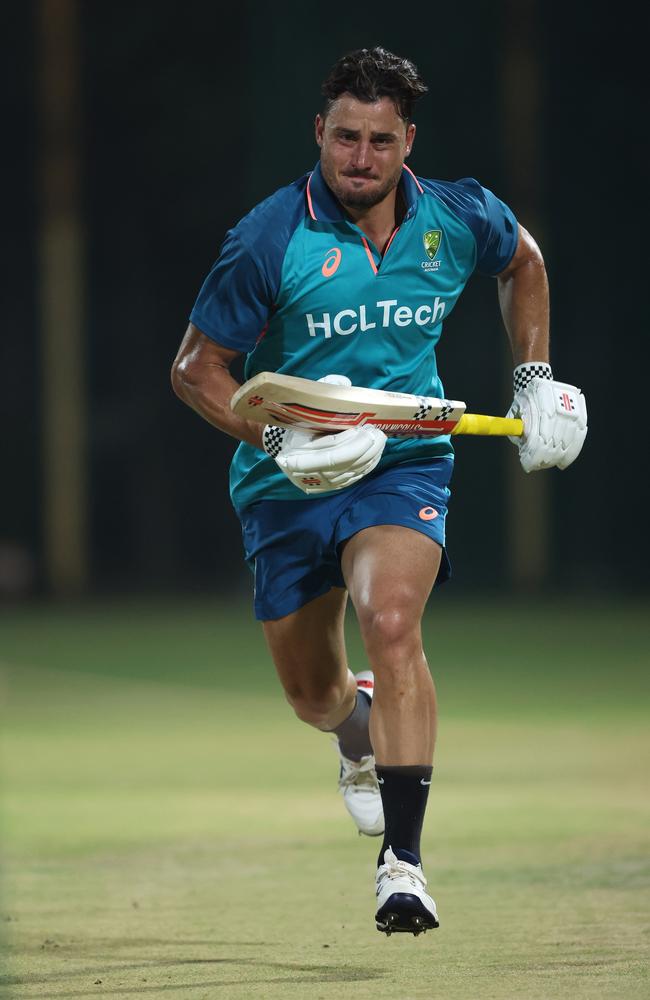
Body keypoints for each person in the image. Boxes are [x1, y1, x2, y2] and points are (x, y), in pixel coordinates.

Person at [171, 46, 587, 936]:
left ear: (408, 143)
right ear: (320, 132)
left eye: (380, 142)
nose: (360, 159)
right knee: (311, 697)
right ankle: (354, 728)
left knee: (393, 620)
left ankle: (404, 865)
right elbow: (196, 369)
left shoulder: (455, 216)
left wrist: (536, 375)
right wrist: (281, 437)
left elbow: (524, 259)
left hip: (405, 461)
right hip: (289, 479)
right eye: (345, 138)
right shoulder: (269, 237)